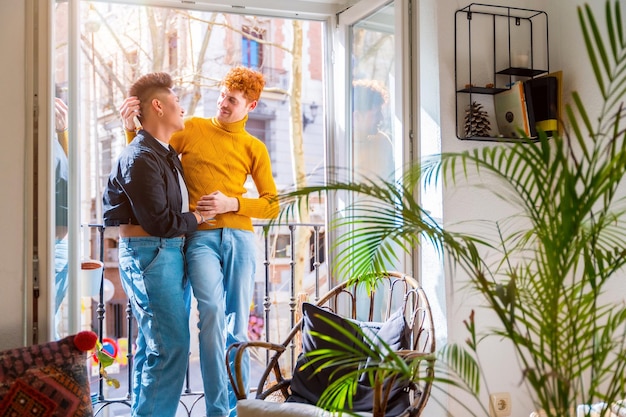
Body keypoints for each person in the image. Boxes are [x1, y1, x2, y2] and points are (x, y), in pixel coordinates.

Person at [119, 66, 279, 417]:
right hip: (199, 237)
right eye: (222, 95)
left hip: (240, 237)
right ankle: (218, 409)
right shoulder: (190, 129)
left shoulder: (254, 147)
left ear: (250, 106)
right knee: (211, 314)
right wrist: (129, 127)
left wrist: (232, 203)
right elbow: (146, 156)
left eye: (232, 100)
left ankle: (234, 407)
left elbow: (271, 203)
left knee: (236, 325)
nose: (223, 103)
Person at [103, 72, 212, 417]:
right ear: (158, 106)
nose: (183, 108)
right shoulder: (140, 157)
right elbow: (162, 222)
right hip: (152, 254)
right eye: (177, 102)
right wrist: (199, 219)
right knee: (172, 347)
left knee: (154, 347)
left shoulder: (162, 153)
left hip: (165, 254)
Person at [352, 79, 394, 182]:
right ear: (357, 117)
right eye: (376, 114)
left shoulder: (383, 142)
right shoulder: (341, 149)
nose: (381, 118)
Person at [53, 97, 69, 317]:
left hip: (59, 243)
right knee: (48, 326)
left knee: (50, 323)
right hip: (53, 244)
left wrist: (62, 131)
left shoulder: (55, 143)